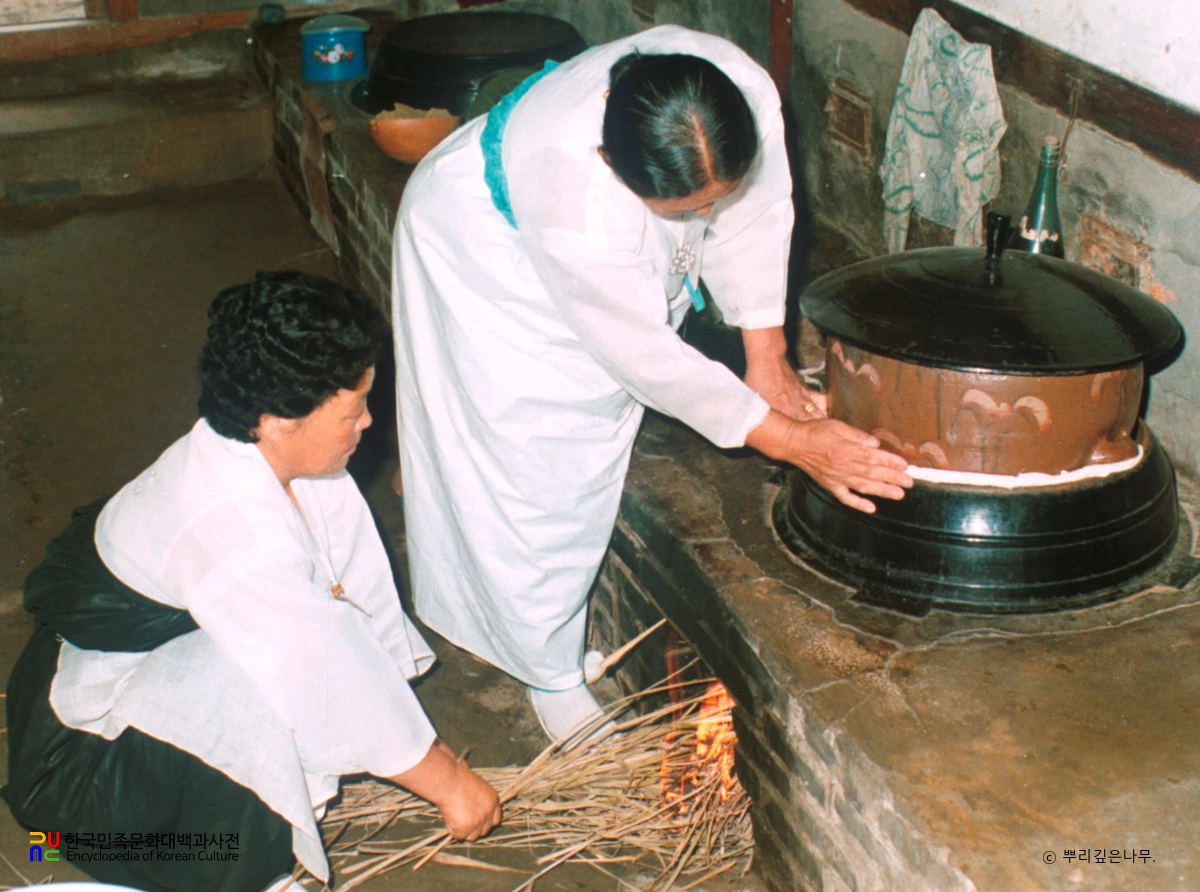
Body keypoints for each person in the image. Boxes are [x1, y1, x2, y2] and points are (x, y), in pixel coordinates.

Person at [391, 26, 912, 740]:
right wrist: (790, 440)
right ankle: (548, 669)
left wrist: (768, 358)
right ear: (610, 161)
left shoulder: (732, 92)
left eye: (711, 202)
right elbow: (642, 356)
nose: (705, 224)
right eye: (687, 215)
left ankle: (547, 646)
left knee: (584, 434)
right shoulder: (570, 191)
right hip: (489, 252)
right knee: (538, 459)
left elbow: (758, 214)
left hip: (591, 235)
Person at [3, 272, 501, 892]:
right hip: (82, 765)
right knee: (262, 679)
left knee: (292, 662)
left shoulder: (285, 461)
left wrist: (404, 742)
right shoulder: (234, 530)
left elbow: (351, 611)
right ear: (278, 420)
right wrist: (447, 783)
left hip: (137, 686)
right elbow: (321, 661)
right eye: (353, 411)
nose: (369, 423)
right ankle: (184, 863)